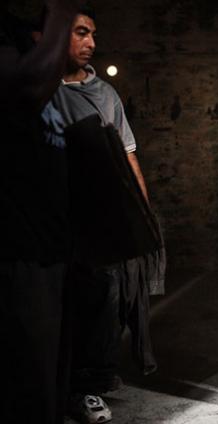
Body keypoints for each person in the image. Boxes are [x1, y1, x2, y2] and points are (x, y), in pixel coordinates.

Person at [43, 6, 157, 424]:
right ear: (55, 36)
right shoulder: (41, 90)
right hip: (54, 217)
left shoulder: (105, 94)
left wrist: (144, 217)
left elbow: (128, 156)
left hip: (101, 219)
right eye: (80, 33)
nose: (91, 42)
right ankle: (63, 383)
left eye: (93, 33)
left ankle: (90, 385)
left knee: (106, 300)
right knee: (60, 303)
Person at [0, 1, 84, 423]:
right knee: (28, 382)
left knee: (51, 376)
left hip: (50, 242)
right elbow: (27, 87)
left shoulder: (21, 31)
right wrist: (62, 12)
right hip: (19, 243)